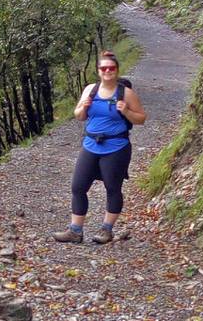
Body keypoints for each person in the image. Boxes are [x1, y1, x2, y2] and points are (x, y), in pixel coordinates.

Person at [53, 50, 147, 245]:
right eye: (103, 68)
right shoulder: (90, 90)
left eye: (111, 68)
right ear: (98, 71)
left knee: (113, 188)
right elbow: (79, 116)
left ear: (117, 70)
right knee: (78, 187)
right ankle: (75, 231)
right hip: (90, 145)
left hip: (116, 147)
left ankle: (107, 229)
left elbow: (141, 118)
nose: (107, 71)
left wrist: (126, 110)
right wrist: (83, 107)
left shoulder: (126, 93)